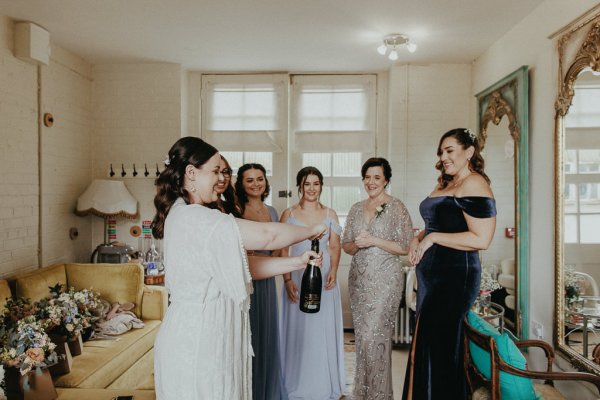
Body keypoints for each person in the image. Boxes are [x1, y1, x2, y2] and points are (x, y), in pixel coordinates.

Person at [152, 137, 325, 400]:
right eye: (214, 171)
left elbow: (245, 264)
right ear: (191, 173)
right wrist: (311, 230)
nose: (221, 179)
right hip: (198, 340)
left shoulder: (191, 213)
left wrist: (296, 262)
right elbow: (267, 235)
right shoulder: (197, 218)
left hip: (207, 331)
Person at [402, 128, 496, 400]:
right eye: (441, 152)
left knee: (439, 350)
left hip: (455, 278)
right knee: (426, 346)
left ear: (469, 152)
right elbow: (435, 224)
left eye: (450, 150)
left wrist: (432, 239)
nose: (443, 157)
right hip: (433, 279)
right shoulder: (446, 183)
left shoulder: (475, 183)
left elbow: (482, 238)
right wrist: (417, 238)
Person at [342, 157, 414, 400]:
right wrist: (357, 243)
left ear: (386, 181)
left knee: (376, 338)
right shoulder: (355, 209)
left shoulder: (397, 207)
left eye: (377, 177)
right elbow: (347, 247)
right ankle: (362, 394)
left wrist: (374, 241)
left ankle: (380, 396)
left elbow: (405, 247)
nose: (371, 182)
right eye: (367, 177)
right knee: (363, 340)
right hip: (359, 282)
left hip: (385, 282)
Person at [279, 166, 345, 400]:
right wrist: (287, 279)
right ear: (300, 186)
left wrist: (334, 271)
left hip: (323, 274)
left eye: (316, 184)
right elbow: (282, 247)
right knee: (298, 329)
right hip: (296, 274)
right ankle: (295, 382)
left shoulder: (331, 214)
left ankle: (323, 382)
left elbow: (335, 246)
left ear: (321, 186)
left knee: (320, 328)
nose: (311, 189)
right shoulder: (289, 214)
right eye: (307, 184)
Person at [235, 163, 286, 400]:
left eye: (260, 179)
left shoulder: (273, 212)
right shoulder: (236, 210)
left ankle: (268, 390)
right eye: (250, 180)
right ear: (242, 184)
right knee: (250, 334)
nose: (256, 184)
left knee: (267, 333)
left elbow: (278, 244)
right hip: (246, 281)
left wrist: (267, 259)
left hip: (267, 282)